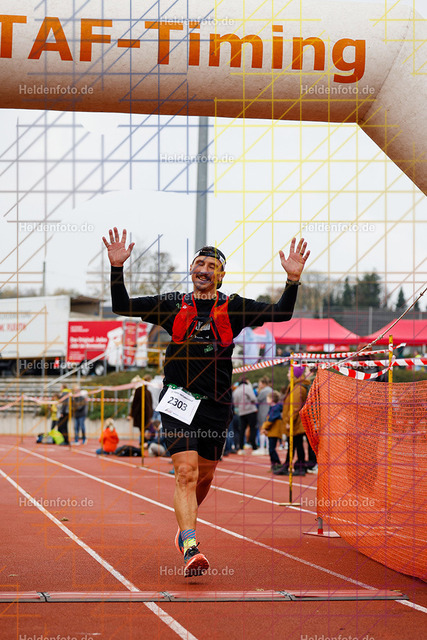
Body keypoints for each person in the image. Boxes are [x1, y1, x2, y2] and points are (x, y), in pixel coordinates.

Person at [104, 227, 309, 577]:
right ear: (191, 269)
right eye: (199, 263)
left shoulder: (235, 307)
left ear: (221, 275)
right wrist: (117, 268)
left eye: (211, 266)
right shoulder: (172, 304)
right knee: (185, 473)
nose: (203, 270)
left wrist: (292, 280)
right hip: (177, 399)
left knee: (204, 475)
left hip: (217, 405)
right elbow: (122, 306)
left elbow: (281, 314)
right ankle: (190, 544)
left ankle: (185, 522)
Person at [274, 364, 311, 476]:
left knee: (297, 445)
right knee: (294, 444)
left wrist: (290, 421)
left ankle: (299, 466)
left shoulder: (298, 388)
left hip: (296, 423)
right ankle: (289, 465)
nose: (287, 374)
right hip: (296, 422)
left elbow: (295, 407)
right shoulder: (295, 386)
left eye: (289, 372)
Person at [232, 377, 259, 452]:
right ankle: (254, 446)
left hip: (241, 412)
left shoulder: (236, 391)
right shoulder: (247, 388)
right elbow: (253, 398)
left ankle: (241, 447)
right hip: (250, 411)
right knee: (252, 428)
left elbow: (235, 403)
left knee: (242, 430)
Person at [260, 390, 284, 471]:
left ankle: (277, 463)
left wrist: (264, 427)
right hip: (271, 431)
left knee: (271, 449)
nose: (267, 400)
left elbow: (271, 420)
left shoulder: (275, 408)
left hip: (274, 432)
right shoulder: (273, 408)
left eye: (268, 398)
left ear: (272, 399)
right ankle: (273, 464)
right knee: (271, 449)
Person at [129, 376, 153, 444]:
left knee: (143, 431)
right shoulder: (148, 391)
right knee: (145, 430)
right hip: (147, 415)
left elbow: (135, 404)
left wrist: (131, 414)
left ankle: (142, 443)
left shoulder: (139, 391)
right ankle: (144, 443)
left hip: (141, 415)